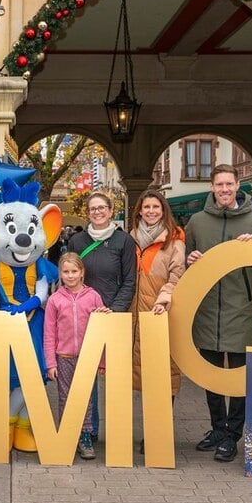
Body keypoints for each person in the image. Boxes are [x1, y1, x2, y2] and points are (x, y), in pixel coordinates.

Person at [184, 164, 252, 462]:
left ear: (238, 186)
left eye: (229, 184)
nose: (224, 189)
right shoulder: (196, 222)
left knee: (237, 377)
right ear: (212, 187)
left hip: (240, 310)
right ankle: (217, 429)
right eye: (219, 184)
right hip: (206, 310)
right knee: (209, 377)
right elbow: (186, 262)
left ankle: (233, 434)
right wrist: (190, 259)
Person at [68, 192, 136, 441]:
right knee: (87, 376)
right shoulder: (77, 240)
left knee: (115, 375)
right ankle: (89, 429)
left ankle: (118, 433)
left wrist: (115, 309)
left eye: (102, 208)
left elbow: (130, 280)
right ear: (88, 212)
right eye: (93, 209)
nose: (97, 212)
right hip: (83, 317)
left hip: (112, 315)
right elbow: (69, 275)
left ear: (110, 210)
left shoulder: (123, 241)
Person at [128, 190, 185, 454]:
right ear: (139, 210)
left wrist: (164, 297)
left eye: (156, 207)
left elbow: (177, 275)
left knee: (164, 374)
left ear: (163, 211)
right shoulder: (130, 239)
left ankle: (157, 433)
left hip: (160, 311)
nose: (151, 211)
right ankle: (140, 432)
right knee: (138, 373)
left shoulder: (174, 239)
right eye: (146, 206)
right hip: (134, 316)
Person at [43, 253, 109, 460]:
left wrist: (101, 360)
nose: (70, 276)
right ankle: (67, 435)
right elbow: (49, 333)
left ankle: (84, 436)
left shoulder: (94, 296)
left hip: (87, 357)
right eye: (66, 272)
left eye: (74, 271)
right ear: (60, 274)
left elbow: (101, 330)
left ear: (82, 273)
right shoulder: (54, 300)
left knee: (86, 398)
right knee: (65, 397)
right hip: (63, 357)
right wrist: (50, 363)